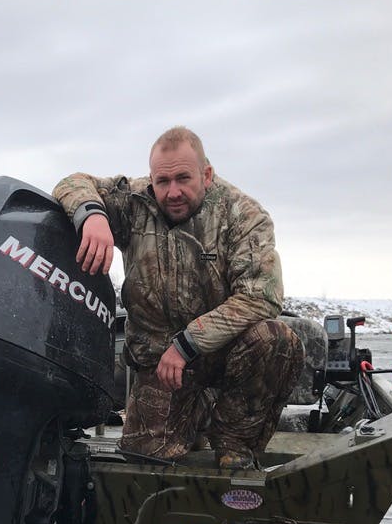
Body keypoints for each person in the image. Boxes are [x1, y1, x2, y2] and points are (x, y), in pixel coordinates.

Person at [52, 126, 304, 470]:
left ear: (207, 174)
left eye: (184, 179)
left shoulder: (245, 216)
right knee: (144, 460)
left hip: (221, 353)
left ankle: (233, 441)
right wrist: (92, 214)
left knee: (278, 340)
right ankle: (195, 413)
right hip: (159, 363)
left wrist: (187, 344)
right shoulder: (137, 200)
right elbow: (72, 182)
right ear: (152, 179)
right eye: (162, 181)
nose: (172, 192)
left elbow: (261, 297)